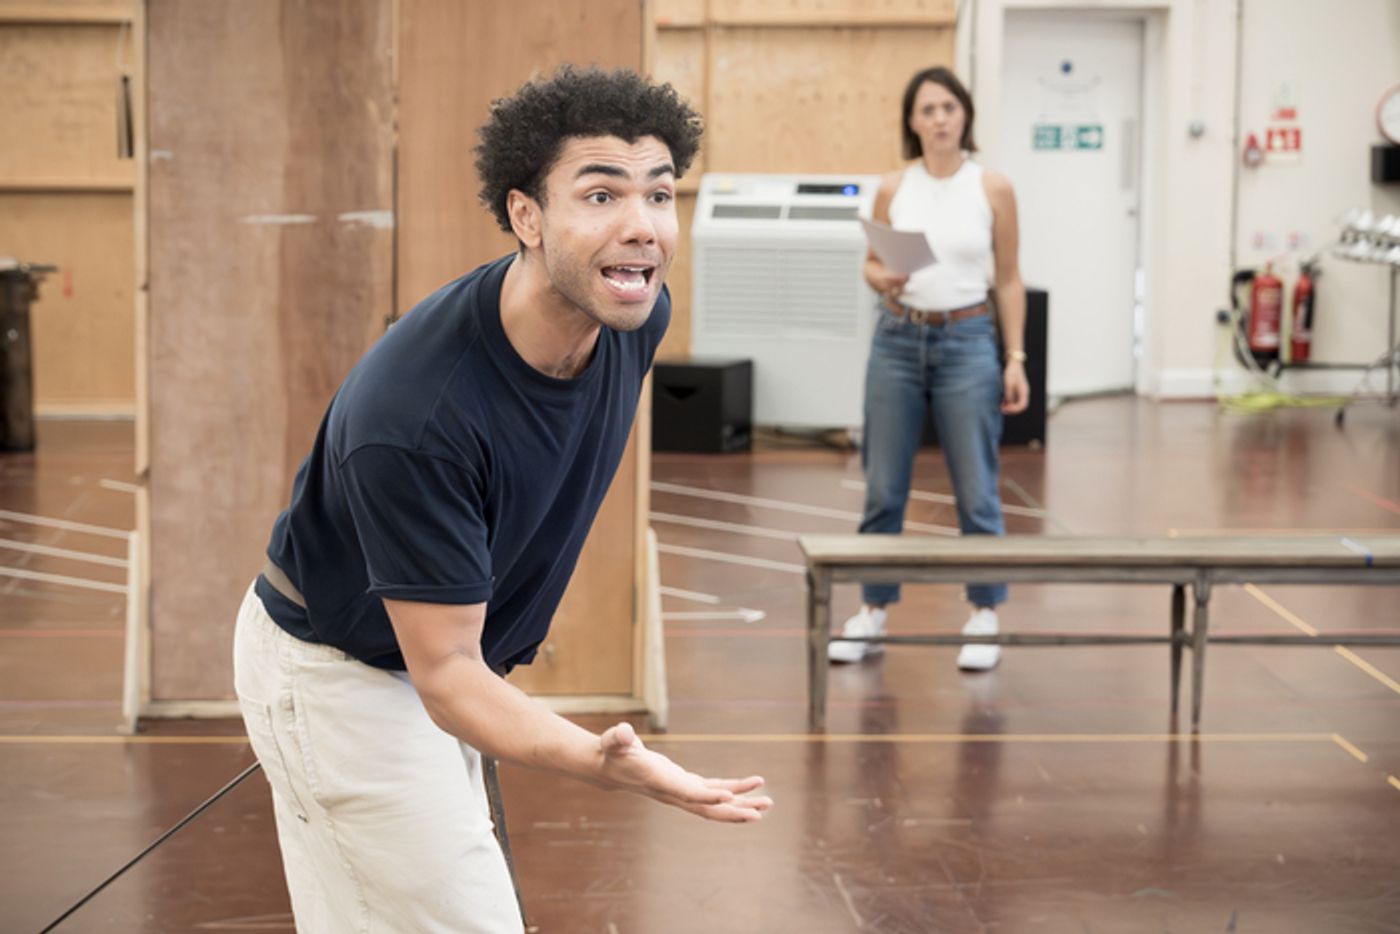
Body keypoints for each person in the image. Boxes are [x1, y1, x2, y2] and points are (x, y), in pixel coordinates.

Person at [232, 66, 771, 933]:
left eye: (660, 193)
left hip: (435, 661)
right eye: (601, 195)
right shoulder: (415, 416)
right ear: (527, 216)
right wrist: (598, 762)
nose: (642, 227)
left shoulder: (632, 313)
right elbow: (445, 672)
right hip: (341, 670)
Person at [829, 66, 1030, 671]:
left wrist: (1015, 357)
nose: (940, 118)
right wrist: (883, 277)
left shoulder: (993, 188)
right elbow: (870, 264)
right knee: (883, 486)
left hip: (968, 342)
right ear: (912, 123)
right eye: (928, 110)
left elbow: (1009, 279)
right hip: (897, 340)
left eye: (949, 107)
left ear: (965, 114)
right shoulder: (893, 188)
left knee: (977, 487)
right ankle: (872, 612)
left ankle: (985, 614)